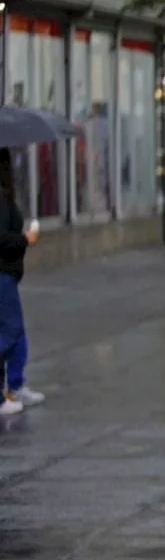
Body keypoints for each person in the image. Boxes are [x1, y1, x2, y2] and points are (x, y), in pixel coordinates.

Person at [0, 148, 44, 416]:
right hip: (3, 274)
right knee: (11, 332)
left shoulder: (5, 198)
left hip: (7, 274)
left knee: (14, 332)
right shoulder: (1, 199)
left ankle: (14, 385)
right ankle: (10, 389)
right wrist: (25, 239)